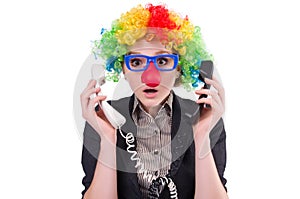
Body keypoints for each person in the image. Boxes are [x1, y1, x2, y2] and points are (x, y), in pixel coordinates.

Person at [80, 3, 228, 199]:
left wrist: (201, 135)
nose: (150, 76)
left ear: (179, 67)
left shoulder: (204, 117)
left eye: (163, 61)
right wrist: (108, 141)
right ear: (122, 68)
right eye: (136, 62)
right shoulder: (103, 118)